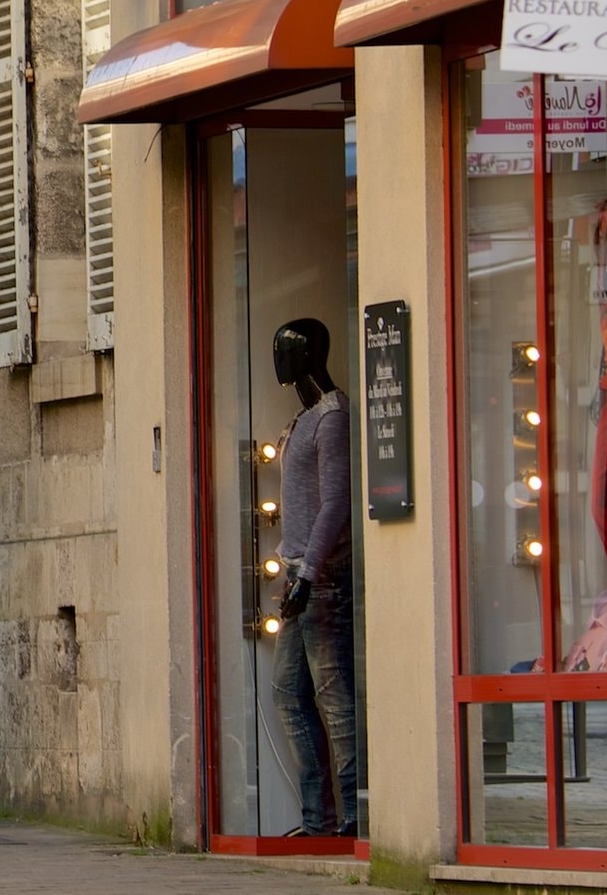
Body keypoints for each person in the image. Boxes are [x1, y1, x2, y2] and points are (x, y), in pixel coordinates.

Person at [269, 318, 358, 837]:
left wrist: (310, 572)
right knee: (289, 695)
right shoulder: (303, 418)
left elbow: (336, 503)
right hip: (299, 576)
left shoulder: (333, 417)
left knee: (334, 697)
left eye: (285, 350)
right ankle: (316, 818)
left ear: (307, 355)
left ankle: (350, 815)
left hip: (321, 578)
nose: (279, 359)